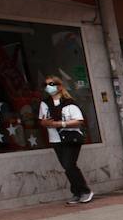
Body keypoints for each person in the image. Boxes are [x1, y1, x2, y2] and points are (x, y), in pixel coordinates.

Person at [39, 76, 93, 204]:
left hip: (71, 138)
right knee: (67, 166)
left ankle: (84, 191)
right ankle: (77, 192)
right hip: (55, 139)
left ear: (59, 86)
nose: (48, 87)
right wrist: (46, 123)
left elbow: (79, 121)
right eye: (46, 85)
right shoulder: (45, 104)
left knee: (69, 165)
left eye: (51, 84)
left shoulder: (69, 104)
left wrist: (61, 124)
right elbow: (42, 121)